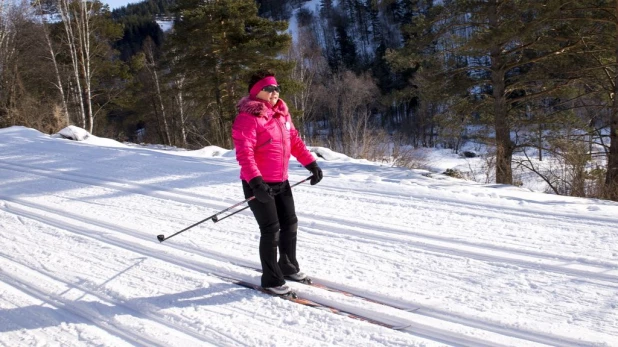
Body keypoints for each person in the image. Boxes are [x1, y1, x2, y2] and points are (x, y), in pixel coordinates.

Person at [232, 69, 323, 295]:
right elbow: (244, 154)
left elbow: (294, 142)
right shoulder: (248, 118)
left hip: (281, 181)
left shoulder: (281, 115)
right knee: (270, 230)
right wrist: (255, 182)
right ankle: (272, 280)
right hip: (258, 183)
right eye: (268, 89)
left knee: (289, 223)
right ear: (257, 93)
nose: (274, 92)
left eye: (276, 88)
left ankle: (288, 266)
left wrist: (311, 164)